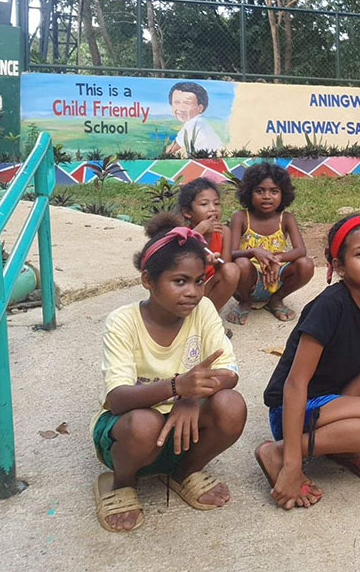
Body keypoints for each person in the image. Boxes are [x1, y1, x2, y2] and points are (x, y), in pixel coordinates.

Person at [255, 214, 360, 509]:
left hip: (334, 403)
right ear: (339, 267)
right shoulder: (329, 306)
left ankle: (343, 446)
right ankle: (280, 453)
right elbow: (295, 385)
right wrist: (293, 466)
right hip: (294, 409)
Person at [91, 212, 246, 533]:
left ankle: (185, 471)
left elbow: (228, 372)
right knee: (144, 424)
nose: (193, 291)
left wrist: (190, 397)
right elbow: (118, 399)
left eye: (199, 281)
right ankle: (122, 483)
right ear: (148, 280)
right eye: (180, 281)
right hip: (130, 430)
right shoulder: (123, 322)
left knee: (232, 405)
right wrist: (178, 387)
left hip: (184, 427)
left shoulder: (202, 310)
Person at [226, 162, 314, 323]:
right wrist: (253, 252)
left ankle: (276, 300)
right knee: (241, 263)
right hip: (248, 280)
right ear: (249, 193)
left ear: (283, 194)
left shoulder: (286, 218)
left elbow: (301, 251)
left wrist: (277, 259)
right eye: (260, 191)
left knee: (306, 264)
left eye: (274, 191)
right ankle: (245, 302)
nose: (267, 196)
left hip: (276, 277)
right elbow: (230, 254)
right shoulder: (240, 217)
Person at [178, 177, 240, 311]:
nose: (212, 209)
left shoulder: (224, 232)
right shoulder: (183, 233)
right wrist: (199, 231)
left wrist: (214, 262)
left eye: (217, 204)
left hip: (207, 287)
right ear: (187, 212)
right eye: (204, 204)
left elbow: (225, 266)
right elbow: (177, 263)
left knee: (231, 269)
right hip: (184, 288)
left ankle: (208, 317)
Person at [165, 81, 223, 155]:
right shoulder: (199, 122)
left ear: (200, 108)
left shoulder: (194, 124)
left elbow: (171, 149)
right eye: (176, 102)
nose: (181, 108)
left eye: (187, 103)